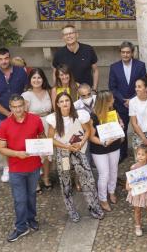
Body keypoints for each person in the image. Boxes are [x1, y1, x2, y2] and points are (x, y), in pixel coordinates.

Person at [47, 92, 104, 222]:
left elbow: (87, 130)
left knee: (87, 178)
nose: (65, 103)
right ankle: (71, 210)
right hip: (63, 153)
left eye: (67, 100)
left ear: (70, 102)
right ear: (57, 104)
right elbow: (50, 139)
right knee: (65, 181)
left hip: (78, 150)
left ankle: (94, 207)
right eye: (61, 101)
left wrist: (81, 142)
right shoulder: (54, 119)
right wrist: (66, 147)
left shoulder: (79, 115)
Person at [0, 94, 45, 242]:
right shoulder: (4, 125)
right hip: (16, 169)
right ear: (10, 108)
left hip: (34, 166)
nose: (18, 109)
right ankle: (21, 227)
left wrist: (43, 146)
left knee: (31, 196)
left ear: (25, 106)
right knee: (19, 199)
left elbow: (41, 136)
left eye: (20, 106)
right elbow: (0, 148)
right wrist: (17, 153)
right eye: (14, 107)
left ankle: (31, 219)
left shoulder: (36, 119)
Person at [0, 48, 27, 182]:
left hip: (22, 114)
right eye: (0, 59)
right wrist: (8, 113)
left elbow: (27, 91)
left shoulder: (21, 72)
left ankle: (27, 164)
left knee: (25, 139)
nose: (3, 61)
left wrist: (22, 110)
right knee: (5, 143)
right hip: (2, 117)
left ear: (10, 58)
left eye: (6, 58)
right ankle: (7, 167)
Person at [108, 41, 147, 161]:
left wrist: (132, 99)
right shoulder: (114, 67)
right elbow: (112, 87)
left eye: (128, 52)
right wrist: (123, 100)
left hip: (137, 102)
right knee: (121, 130)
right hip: (120, 104)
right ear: (120, 53)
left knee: (139, 127)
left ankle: (143, 153)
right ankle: (122, 154)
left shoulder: (140, 65)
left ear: (132, 53)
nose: (125, 55)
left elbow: (144, 83)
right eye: (123, 52)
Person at [88, 91, 123, 212]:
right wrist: (103, 142)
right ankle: (102, 198)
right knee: (104, 174)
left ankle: (111, 191)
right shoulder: (93, 116)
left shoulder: (113, 111)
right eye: (111, 98)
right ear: (105, 101)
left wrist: (121, 125)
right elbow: (91, 137)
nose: (114, 100)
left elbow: (119, 123)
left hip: (114, 146)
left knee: (114, 170)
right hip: (99, 149)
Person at [21, 68, 54, 191]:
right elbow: (23, 114)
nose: (36, 80)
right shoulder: (26, 95)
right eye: (34, 78)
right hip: (33, 126)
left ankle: (46, 178)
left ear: (43, 79)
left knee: (47, 154)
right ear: (30, 80)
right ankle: (35, 182)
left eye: (39, 77)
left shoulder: (48, 92)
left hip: (48, 124)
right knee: (34, 155)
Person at [52, 24, 99, 89]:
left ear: (77, 35)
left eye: (71, 33)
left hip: (87, 91)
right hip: (67, 92)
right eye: (65, 34)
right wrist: (57, 89)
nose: (68, 36)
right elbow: (55, 73)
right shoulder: (59, 53)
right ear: (63, 38)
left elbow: (95, 70)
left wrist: (94, 88)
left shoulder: (88, 49)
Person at [125, 144, 147, 239]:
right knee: (137, 210)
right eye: (138, 154)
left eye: (143, 154)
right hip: (137, 193)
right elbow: (128, 184)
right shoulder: (133, 167)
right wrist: (128, 186)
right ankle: (138, 226)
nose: (140, 156)